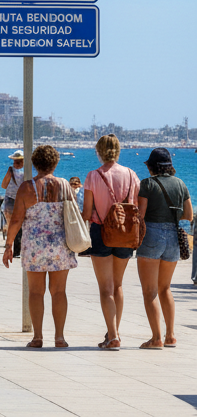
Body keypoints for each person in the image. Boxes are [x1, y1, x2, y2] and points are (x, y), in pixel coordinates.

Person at [0, 144, 76, 349]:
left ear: (34, 164)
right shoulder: (64, 185)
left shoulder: (27, 187)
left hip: (34, 246)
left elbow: (16, 219)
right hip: (60, 245)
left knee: (35, 292)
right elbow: (73, 214)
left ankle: (38, 337)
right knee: (59, 292)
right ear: (55, 163)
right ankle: (59, 337)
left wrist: (9, 245)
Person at [81, 133, 139, 350]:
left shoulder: (93, 176)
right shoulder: (131, 174)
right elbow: (134, 206)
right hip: (125, 232)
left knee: (105, 288)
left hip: (101, 230)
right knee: (118, 285)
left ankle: (112, 335)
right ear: (118, 151)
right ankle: (114, 332)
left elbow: (87, 212)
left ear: (99, 151)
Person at [135, 148, 190, 350]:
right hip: (173, 237)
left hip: (151, 235)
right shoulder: (180, 184)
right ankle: (170, 336)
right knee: (165, 288)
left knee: (149, 291)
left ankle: (156, 338)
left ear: (151, 166)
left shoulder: (147, 184)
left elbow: (141, 215)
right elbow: (188, 215)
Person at [2, 150, 26, 255]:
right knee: (13, 224)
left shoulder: (27, 171)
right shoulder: (11, 170)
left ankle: (16, 247)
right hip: (12, 199)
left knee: (18, 224)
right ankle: (14, 247)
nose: (16, 163)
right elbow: (4, 185)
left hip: (19, 200)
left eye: (18, 161)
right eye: (15, 161)